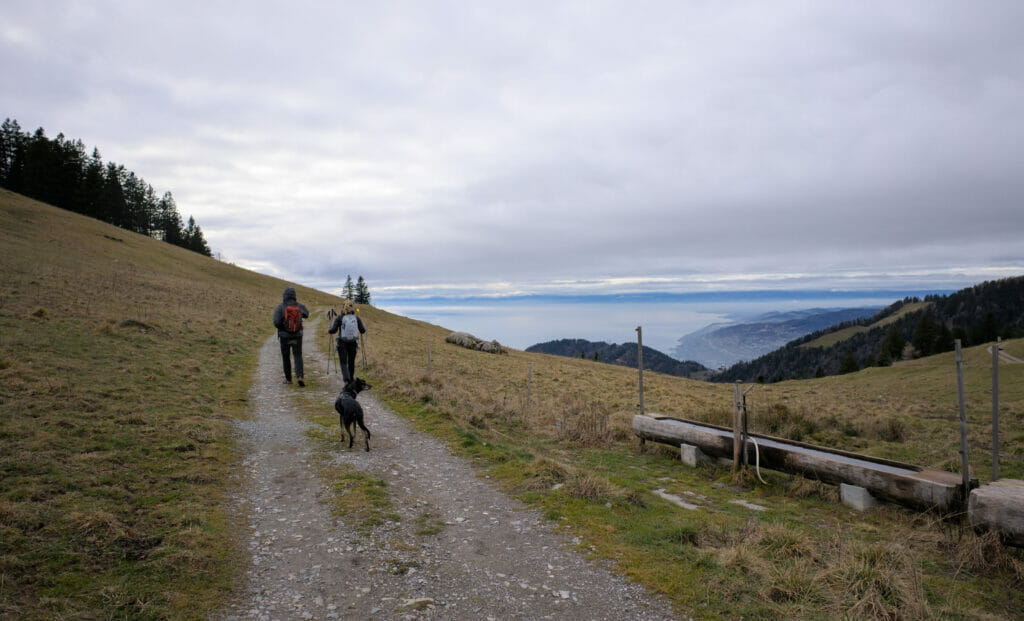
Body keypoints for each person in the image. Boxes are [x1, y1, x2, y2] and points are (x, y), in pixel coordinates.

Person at [272, 286, 309, 386]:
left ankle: (288, 379)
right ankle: (300, 376)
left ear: (284, 296)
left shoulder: (280, 307)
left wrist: (283, 327)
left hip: (284, 336)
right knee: (297, 355)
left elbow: (276, 322)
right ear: (294, 295)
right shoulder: (299, 306)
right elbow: (307, 314)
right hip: (297, 335)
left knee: (286, 357)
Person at [328, 300, 366, 382]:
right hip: (353, 343)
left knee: (343, 363)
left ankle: (346, 380)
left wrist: (330, 330)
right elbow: (362, 330)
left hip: (342, 342)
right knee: (351, 362)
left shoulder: (340, 317)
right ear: (352, 308)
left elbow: (333, 330)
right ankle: (351, 380)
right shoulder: (356, 318)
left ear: (343, 307)